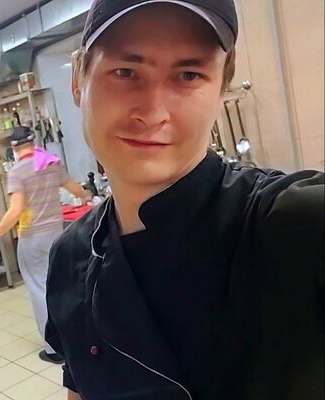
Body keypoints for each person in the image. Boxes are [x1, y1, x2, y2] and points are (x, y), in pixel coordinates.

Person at [45, 1, 324, 399]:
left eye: (188, 75)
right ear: (78, 80)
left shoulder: (289, 224)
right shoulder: (69, 257)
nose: (153, 112)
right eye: (126, 72)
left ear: (221, 89)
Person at [0, 126, 90, 364]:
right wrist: (87, 195)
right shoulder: (51, 163)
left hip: (32, 238)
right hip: (57, 235)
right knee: (61, 286)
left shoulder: (17, 172)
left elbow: (16, 210)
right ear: (34, 141)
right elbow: (75, 189)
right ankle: (73, 337)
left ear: (13, 148)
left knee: (40, 290)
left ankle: (53, 348)